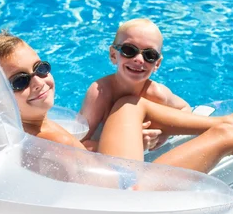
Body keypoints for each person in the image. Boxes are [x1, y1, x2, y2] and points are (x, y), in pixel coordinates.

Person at [0, 31, 233, 175]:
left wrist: (127, 144)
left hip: (111, 175)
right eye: (19, 81)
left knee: (130, 104)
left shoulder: (35, 124)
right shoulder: (32, 142)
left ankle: (222, 122)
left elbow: (78, 156)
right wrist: (122, 155)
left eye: (40, 67)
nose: (39, 82)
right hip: (124, 202)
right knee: (223, 139)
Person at [79, 18, 191, 151]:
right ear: (113, 55)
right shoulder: (100, 93)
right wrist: (133, 144)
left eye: (150, 54)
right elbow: (79, 144)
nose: (138, 60)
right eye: (129, 50)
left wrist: (166, 132)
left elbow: (185, 109)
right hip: (101, 143)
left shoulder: (157, 94)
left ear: (157, 64)